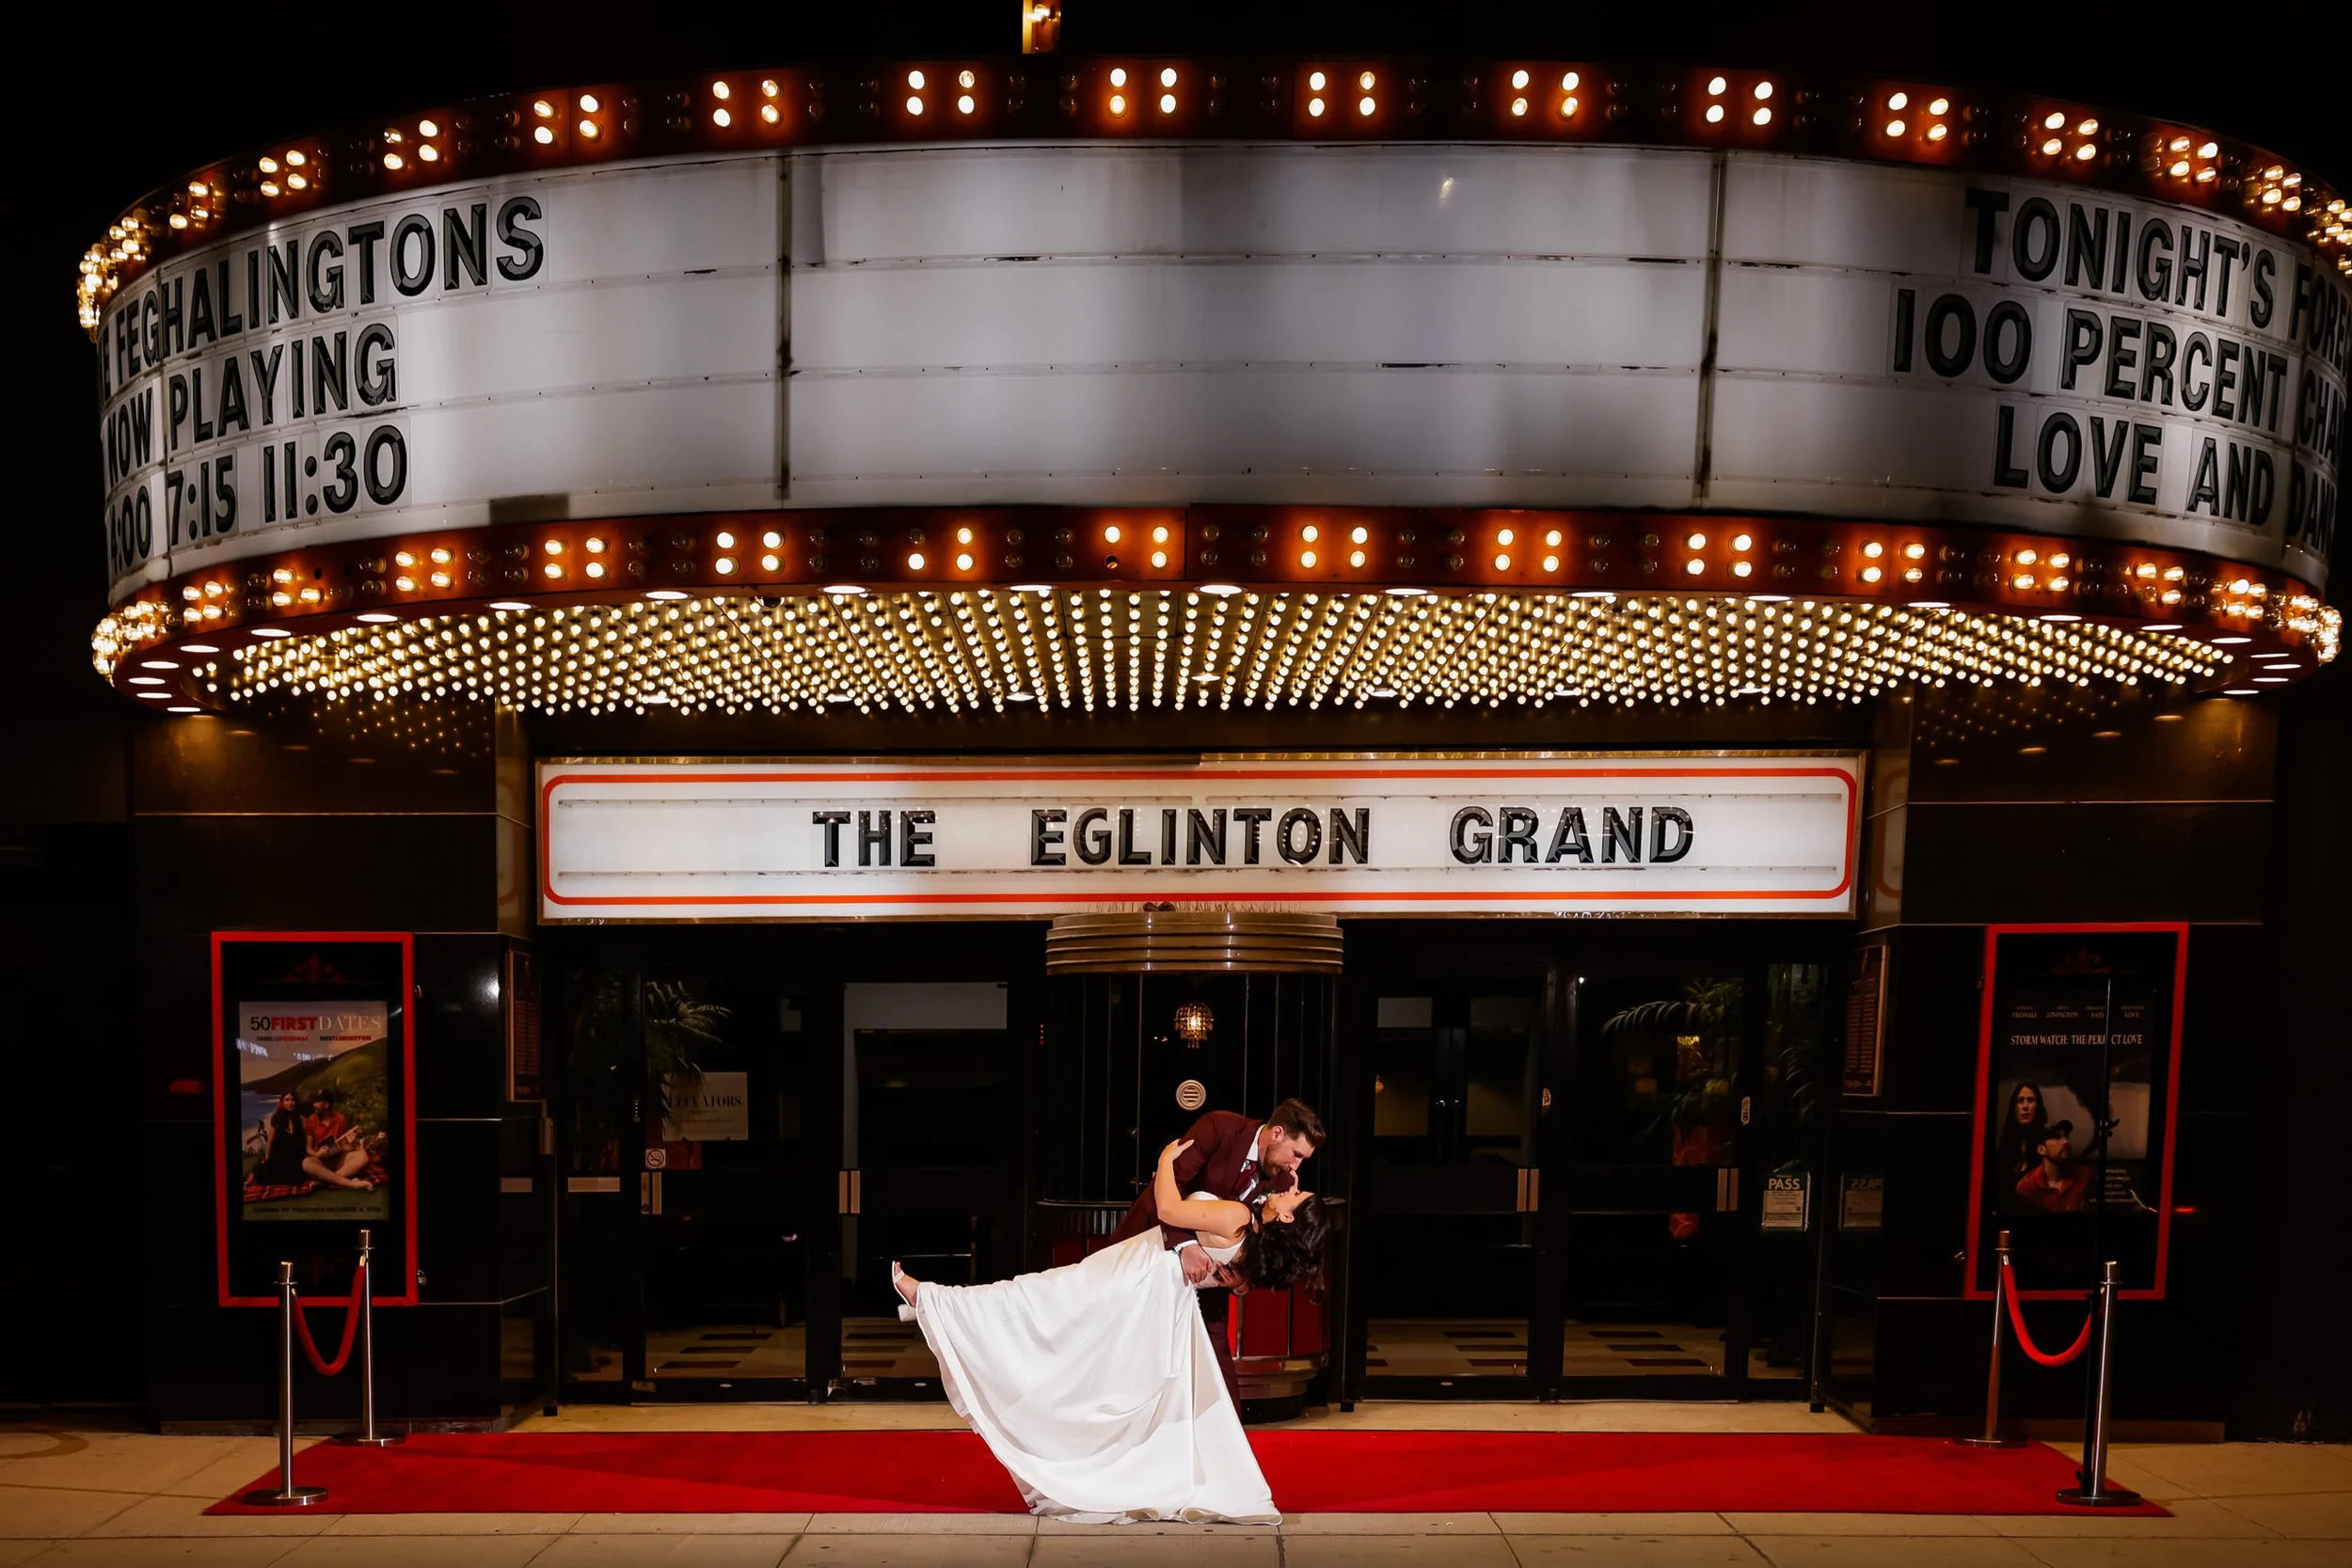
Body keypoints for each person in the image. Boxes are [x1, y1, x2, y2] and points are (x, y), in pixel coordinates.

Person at [892, 1134, 1332, 1523]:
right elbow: (1224, 1276)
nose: (1289, 1188)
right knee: (1043, 1305)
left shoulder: (1237, 1216)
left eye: (1295, 1197)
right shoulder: (1250, 1247)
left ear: (1289, 1220)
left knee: (1036, 1302)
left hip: (1133, 1278)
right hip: (1152, 1294)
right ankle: (935, 1307)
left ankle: (932, 1301)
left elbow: (1168, 1208)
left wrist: (1163, 1160)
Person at [1106, 1099, 1325, 1411]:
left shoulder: (1281, 1181)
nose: (1296, 1167)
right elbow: (1170, 1186)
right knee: (1127, 1353)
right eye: (1297, 1154)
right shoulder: (1220, 1127)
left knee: (1215, 1359)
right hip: (1152, 1252)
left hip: (1207, 1282)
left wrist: (1245, 1278)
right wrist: (1185, 1246)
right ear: (1277, 1133)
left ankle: (1228, 1440)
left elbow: (1276, 1246)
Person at [301, 1092, 373, 1190]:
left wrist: (351, 1144)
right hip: (321, 1162)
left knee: (363, 1156)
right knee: (306, 1163)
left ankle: (326, 1181)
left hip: (338, 1160)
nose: (314, 1105)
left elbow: (344, 1146)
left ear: (326, 1105)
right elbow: (308, 1149)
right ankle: (351, 1183)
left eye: (317, 1102)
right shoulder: (311, 1120)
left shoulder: (340, 1118)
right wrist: (318, 1154)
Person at [2014, 1119, 2090, 1212]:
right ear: (2041, 1150)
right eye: (2057, 1137)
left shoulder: (2085, 1176)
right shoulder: (2027, 1186)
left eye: (2066, 1136)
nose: (2066, 1141)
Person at [1994, 1081, 2051, 1190]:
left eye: (2030, 1100)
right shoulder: (2005, 1143)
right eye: (2020, 1100)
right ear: (2014, 1107)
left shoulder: (2048, 1142)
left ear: (2038, 1106)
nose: (2025, 1106)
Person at [250, 1093, 310, 1186]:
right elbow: (270, 1142)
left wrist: (307, 1156)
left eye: (292, 1100)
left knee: (297, 1178)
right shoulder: (277, 1119)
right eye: (287, 1100)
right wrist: (267, 1159)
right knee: (260, 1172)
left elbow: (306, 1141)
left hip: (295, 1157)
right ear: (282, 1102)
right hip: (278, 1157)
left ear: (296, 1102)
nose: (290, 1103)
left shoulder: (302, 1119)